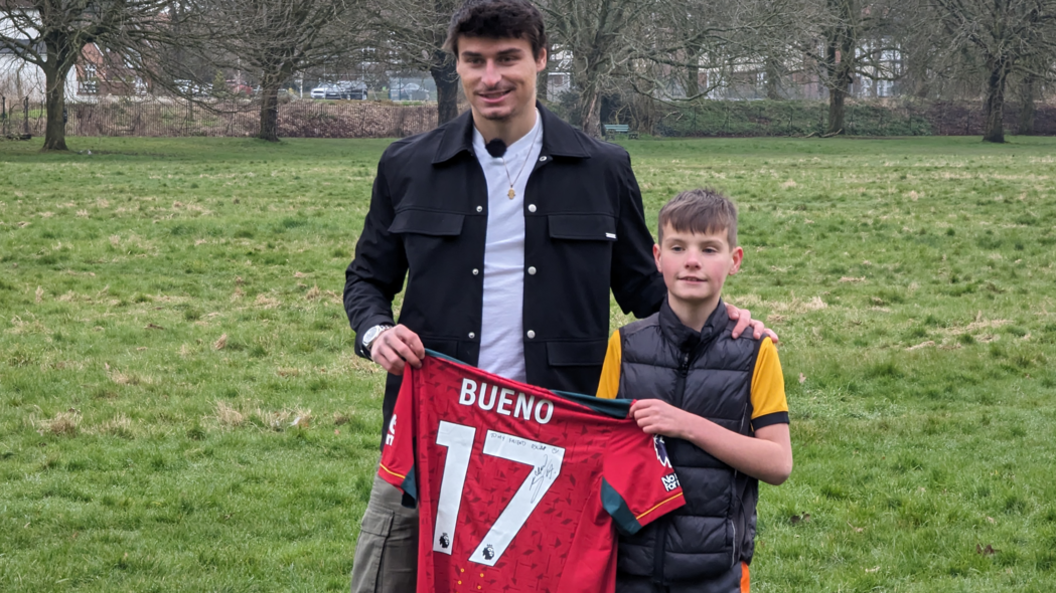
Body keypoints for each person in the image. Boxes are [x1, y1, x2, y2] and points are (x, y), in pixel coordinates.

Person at [343, 2, 774, 591]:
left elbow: (646, 289)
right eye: (475, 61)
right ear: (458, 67)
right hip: (434, 434)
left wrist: (719, 319)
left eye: (508, 59)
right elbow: (367, 279)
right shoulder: (407, 165)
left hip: (559, 443)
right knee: (393, 578)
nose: (491, 77)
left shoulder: (602, 167)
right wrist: (376, 333)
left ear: (541, 59)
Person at [595, 189, 793, 593]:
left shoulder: (757, 351)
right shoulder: (626, 345)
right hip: (628, 571)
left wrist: (686, 425)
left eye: (708, 248)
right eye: (678, 246)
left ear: (734, 260)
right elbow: (597, 453)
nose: (691, 261)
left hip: (716, 576)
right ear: (656, 257)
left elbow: (778, 463)